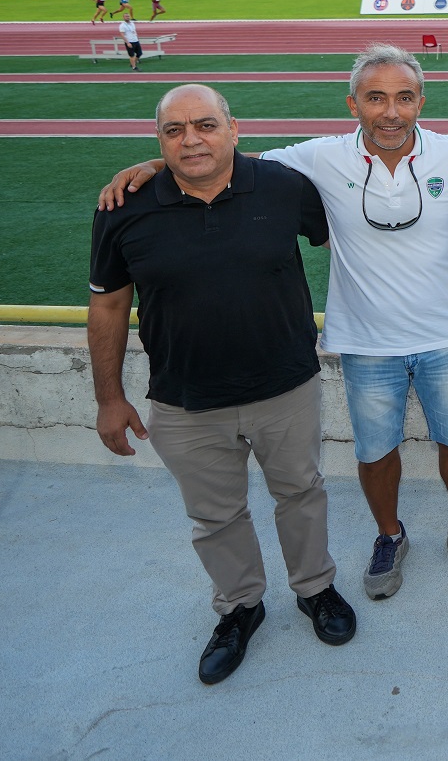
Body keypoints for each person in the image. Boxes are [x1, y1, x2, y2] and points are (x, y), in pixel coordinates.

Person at [99, 44, 448, 599]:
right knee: (374, 450)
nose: (390, 111)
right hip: (364, 342)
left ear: (421, 101)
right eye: (375, 98)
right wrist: (154, 165)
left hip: (444, 335)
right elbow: (227, 158)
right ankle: (389, 534)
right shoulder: (318, 156)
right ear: (352, 102)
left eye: (404, 98)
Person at [87, 84, 355, 685]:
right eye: (174, 132)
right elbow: (106, 307)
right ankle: (240, 607)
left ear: (235, 129)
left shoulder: (285, 187)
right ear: (158, 140)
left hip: (285, 387)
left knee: (302, 492)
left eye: (205, 126)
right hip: (184, 401)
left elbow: (357, 227)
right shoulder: (123, 207)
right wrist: (109, 397)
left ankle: (316, 589)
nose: (191, 140)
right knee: (216, 517)